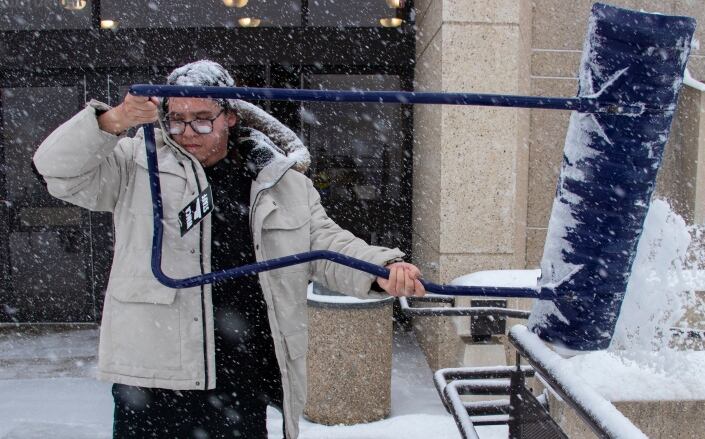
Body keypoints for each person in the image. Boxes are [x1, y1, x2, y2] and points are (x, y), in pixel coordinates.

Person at [33, 60, 426, 439]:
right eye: (177, 119)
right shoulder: (135, 163)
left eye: (202, 118)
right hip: (153, 376)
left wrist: (379, 267)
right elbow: (56, 169)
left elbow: (325, 243)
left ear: (230, 116)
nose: (188, 131)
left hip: (240, 375)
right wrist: (113, 120)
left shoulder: (279, 180)